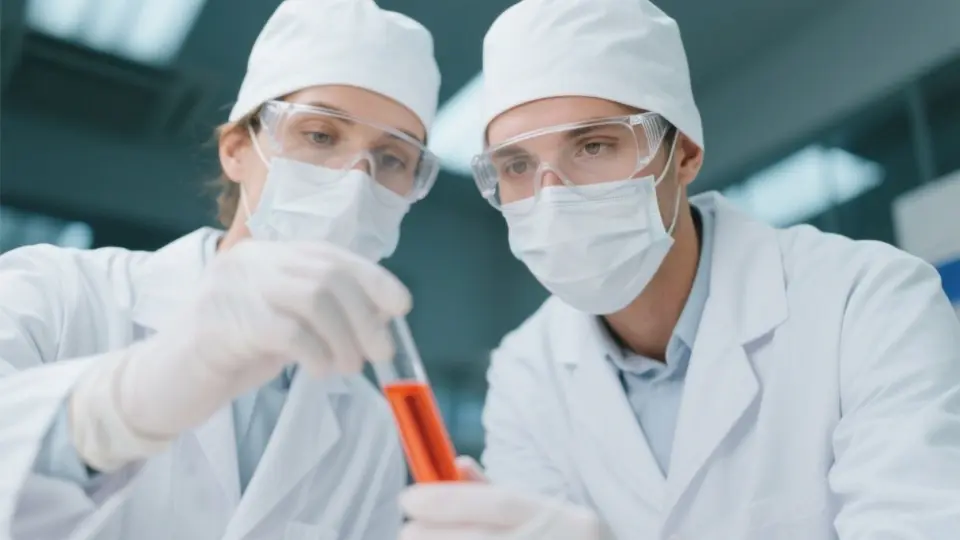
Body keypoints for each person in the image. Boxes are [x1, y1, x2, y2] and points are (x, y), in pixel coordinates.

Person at [400, 0, 960, 538]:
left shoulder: (869, 301)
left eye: (593, 147)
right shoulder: (525, 373)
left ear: (685, 154)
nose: (552, 198)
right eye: (517, 165)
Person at [0, 0, 442, 538]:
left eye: (393, 159)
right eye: (320, 135)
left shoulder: (369, 428)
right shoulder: (55, 293)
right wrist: (117, 407)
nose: (355, 180)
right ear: (237, 149)